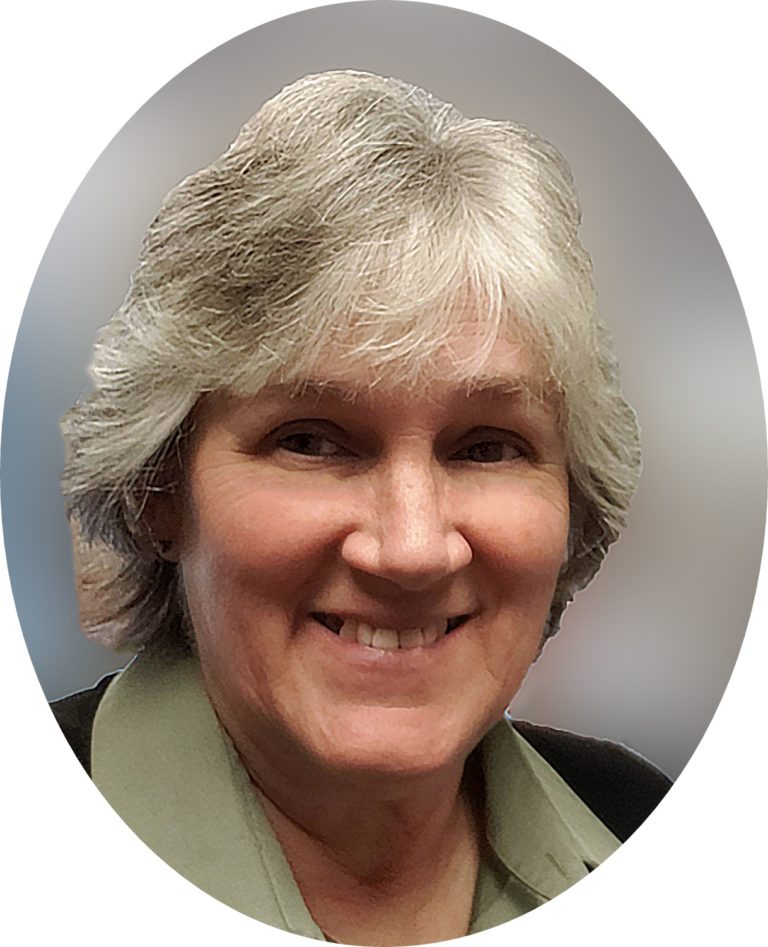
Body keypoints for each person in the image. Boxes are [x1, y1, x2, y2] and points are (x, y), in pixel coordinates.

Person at [53, 70, 670, 945]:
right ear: (160, 491)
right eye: (311, 440)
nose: (412, 548)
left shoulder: (642, 821)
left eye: (486, 446)